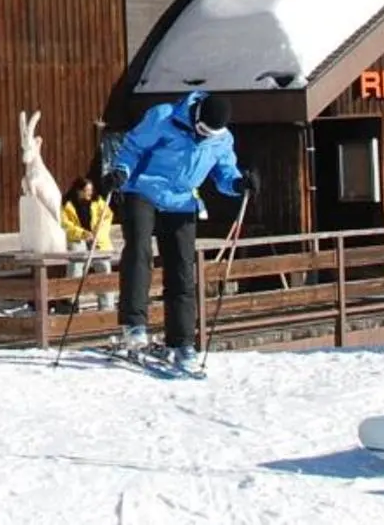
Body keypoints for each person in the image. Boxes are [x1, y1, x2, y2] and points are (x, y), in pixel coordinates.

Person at [104, 90, 255, 374]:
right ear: (196, 115)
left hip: (181, 198)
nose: (203, 136)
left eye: (210, 133)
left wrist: (238, 184)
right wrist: (121, 170)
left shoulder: (222, 140)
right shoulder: (164, 117)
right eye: (201, 130)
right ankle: (134, 325)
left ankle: (182, 342)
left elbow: (224, 173)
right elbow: (133, 147)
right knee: (139, 249)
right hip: (143, 189)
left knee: (182, 269)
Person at [61, 175, 115, 257]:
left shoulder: (97, 201)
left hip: (97, 238)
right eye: (87, 190)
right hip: (77, 239)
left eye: (91, 190)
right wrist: (83, 233)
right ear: (79, 191)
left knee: (102, 261)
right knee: (77, 256)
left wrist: (97, 234)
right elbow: (65, 224)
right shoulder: (67, 205)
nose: (90, 192)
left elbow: (107, 217)